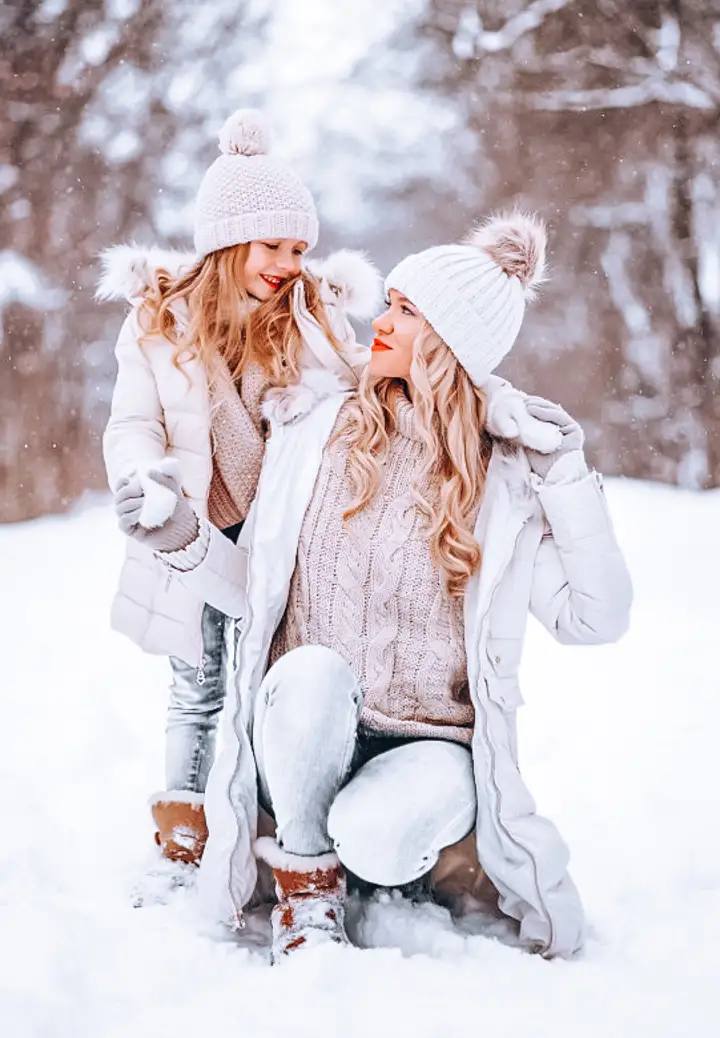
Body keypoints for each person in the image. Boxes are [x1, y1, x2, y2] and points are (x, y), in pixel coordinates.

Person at [115, 212, 632, 960]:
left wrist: (568, 477)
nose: (379, 323)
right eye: (388, 302)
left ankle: (379, 851)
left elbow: (598, 618)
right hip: (302, 727)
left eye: (405, 311)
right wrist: (180, 538)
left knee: (377, 836)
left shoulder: (503, 477)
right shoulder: (313, 431)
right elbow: (249, 595)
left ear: (451, 340)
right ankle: (306, 884)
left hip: (428, 746)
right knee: (315, 670)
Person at [97, 108, 378, 874]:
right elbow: (133, 422)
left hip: (282, 536)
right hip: (194, 528)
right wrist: (144, 479)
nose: (289, 262)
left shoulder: (312, 315)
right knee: (197, 684)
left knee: (272, 684)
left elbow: (360, 389)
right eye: (274, 245)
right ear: (227, 241)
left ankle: (273, 824)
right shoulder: (158, 323)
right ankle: (183, 839)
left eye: (299, 248)